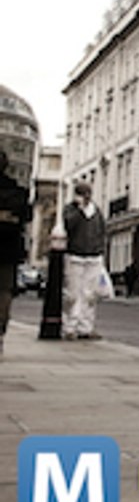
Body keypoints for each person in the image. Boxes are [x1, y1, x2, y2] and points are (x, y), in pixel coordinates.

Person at [62, 181, 108, 340]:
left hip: (94, 257)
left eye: (88, 193)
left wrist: (100, 250)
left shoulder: (96, 211)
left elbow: (102, 231)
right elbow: (69, 226)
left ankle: (86, 328)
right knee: (73, 294)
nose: (86, 197)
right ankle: (70, 327)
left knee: (90, 294)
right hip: (75, 256)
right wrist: (80, 210)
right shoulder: (70, 210)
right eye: (83, 193)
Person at [0, 149, 33, 357]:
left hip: (7, 250)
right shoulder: (18, 193)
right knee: (3, 294)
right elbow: (25, 217)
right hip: (7, 252)